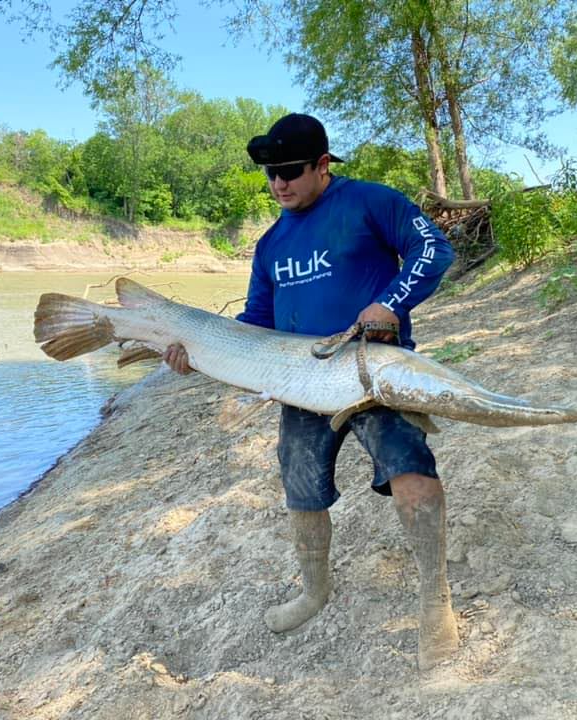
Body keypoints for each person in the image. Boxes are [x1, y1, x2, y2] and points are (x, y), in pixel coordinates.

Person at [163, 113, 458, 670]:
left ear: (323, 165)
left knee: (412, 475)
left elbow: (433, 251)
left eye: (290, 172)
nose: (279, 184)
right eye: (271, 174)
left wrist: (391, 304)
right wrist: (196, 357)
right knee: (301, 492)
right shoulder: (270, 244)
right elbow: (253, 327)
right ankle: (315, 589)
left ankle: (434, 600)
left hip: (375, 373)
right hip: (300, 382)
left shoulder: (371, 202)